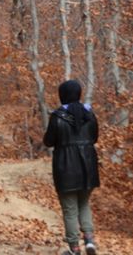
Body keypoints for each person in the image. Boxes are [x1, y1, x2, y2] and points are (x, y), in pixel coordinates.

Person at [43, 80, 100, 255]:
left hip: (66, 167)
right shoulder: (89, 114)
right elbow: (94, 138)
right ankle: (89, 241)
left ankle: (74, 248)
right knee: (84, 204)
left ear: (62, 95)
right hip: (88, 165)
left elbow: (48, 141)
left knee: (69, 209)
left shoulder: (58, 116)